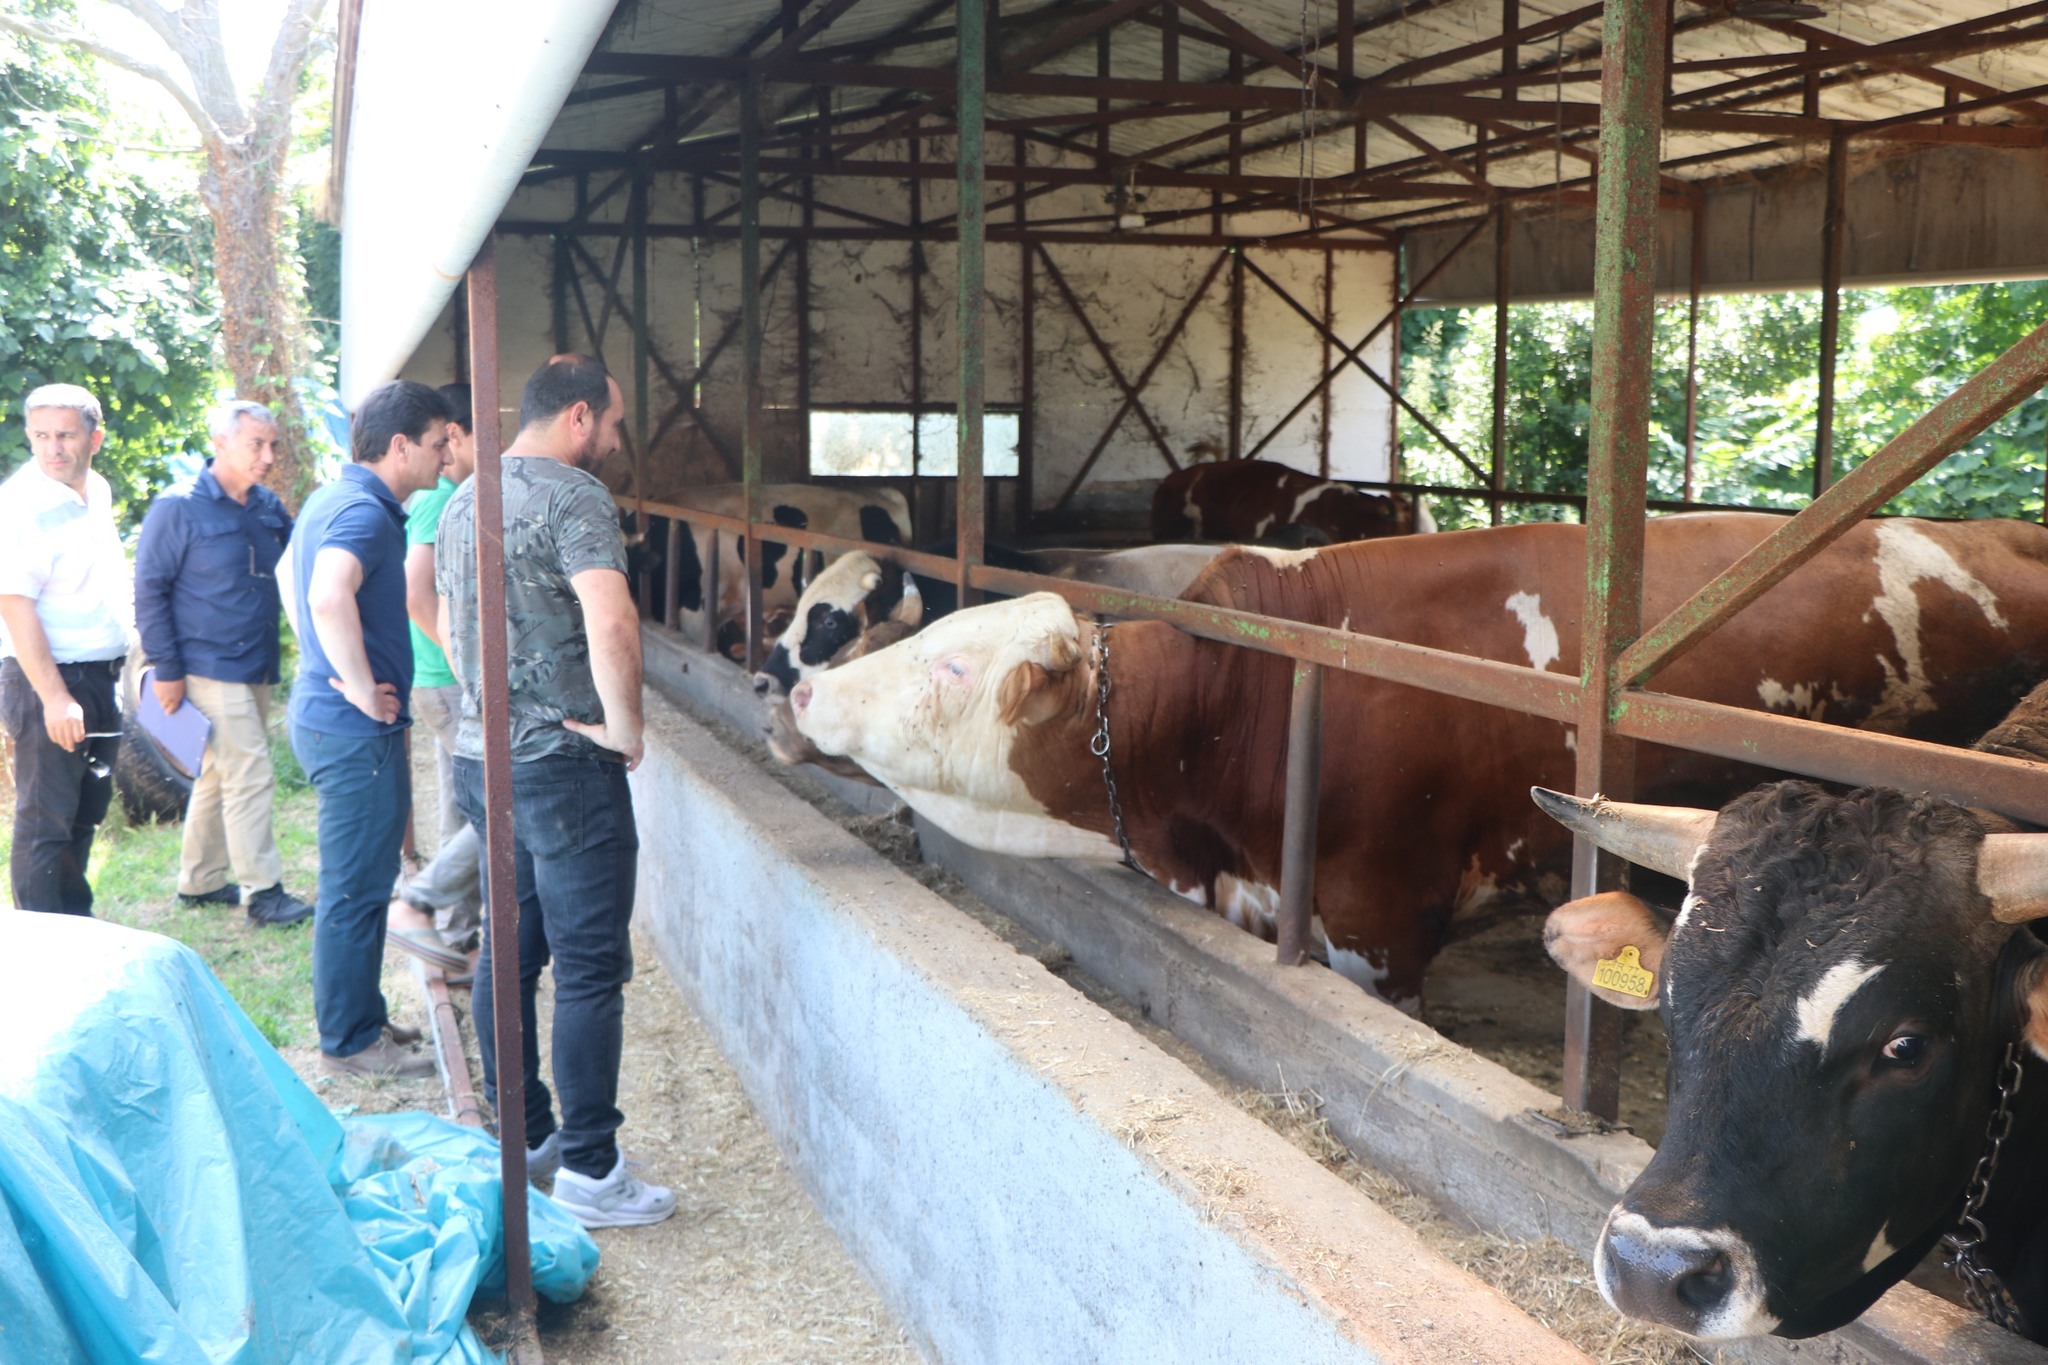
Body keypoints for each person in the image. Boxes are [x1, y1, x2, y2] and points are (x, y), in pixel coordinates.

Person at [437, 354, 673, 1226]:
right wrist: (625, 729)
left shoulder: (466, 496)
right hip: (565, 767)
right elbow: (611, 615)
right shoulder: (575, 497)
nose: (613, 443)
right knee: (589, 965)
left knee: (511, 945)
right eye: (612, 426)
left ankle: (526, 1133)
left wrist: (487, 704)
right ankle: (591, 1168)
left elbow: (443, 612)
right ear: (579, 415)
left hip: (483, 755)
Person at [280, 380, 450, 1078]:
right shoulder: (367, 513)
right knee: (354, 885)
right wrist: (352, 685)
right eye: (439, 444)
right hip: (352, 734)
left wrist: (329, 673)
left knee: (365, 876)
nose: (446, 457)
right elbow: (324, 592)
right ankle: (349, 1041)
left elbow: (298, 579)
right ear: (401, 445)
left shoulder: (336, 495)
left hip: (331, 722)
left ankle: (363, 1014)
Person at [133, 400, 312, 927]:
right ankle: (264, 894)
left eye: (273, 444)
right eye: (257, 444)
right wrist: (166, 669)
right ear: (220, 443)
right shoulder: (178, 507)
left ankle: (201, 880)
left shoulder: (264, 505)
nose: (269, 455)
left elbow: (299, 559)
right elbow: (149, 591)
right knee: (251, 771)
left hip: (255, 664)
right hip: (202, 665)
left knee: (220, 773)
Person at [0, 385, 131, 914]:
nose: (53, 448)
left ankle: (74, 927)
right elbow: (13, 603)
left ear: (94, 438)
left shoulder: (93, 489)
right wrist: (55, 697)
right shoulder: (20, 506)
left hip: (100, 677)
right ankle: (39, 950)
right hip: (48, 684)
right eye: (40, 436)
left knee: (84, 814)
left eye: (66, 435)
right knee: (46, 821)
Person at [387, 382, 480, 975]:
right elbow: (416, 591)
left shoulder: (450, 495)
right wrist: (463, 663)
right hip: (446, 677)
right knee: (503, 802)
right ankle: (420, 903)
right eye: (481, 434)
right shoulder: (442, 498)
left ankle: (453, 932)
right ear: (458, 435)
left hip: (436, 675)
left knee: (462, 800)